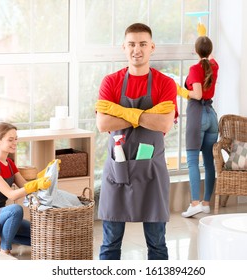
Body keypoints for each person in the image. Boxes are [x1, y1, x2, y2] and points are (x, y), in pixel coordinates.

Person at [95, 23, 178, 260]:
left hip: (151, 172)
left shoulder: (165, 83)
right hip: (117, 172)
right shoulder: (110, 82)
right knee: (110, 244)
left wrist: (123, 113)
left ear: (152, 47)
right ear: (124, 47)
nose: (137, 50)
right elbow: (103, 124)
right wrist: (146, 115)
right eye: (131, 44)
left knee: (157, 244)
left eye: (142, 44)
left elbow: (164, 124)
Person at [0, 122, 52, 255]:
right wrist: (35, 185)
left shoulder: (10, 164)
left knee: (41, 236)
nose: (15, 143)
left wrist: (44, 177)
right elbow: (11, 195)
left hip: (3, 216)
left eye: (16, 139)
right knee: (16, 210)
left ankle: (3, 237)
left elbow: (25, 187)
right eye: (10, 139)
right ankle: (5, 251)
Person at [177, 35, 219, 218]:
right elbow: (211, 57)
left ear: (195, 51)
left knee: (192, 161)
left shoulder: (195, 69)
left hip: (197, 115)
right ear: (210, 51)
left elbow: (197, 94)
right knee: (209, 163)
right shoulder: (214, 66)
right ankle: (206, 203)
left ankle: (194, 204)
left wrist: (179, 90)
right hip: (211, 116)